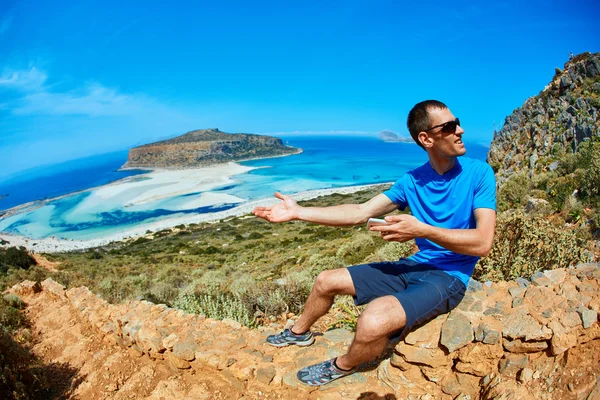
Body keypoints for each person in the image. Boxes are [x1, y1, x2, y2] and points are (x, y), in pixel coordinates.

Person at [252, 100, 497, 386]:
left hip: (449, 277)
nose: (461, 130)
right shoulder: (412, 181)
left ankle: (341, 366)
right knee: (325, 281)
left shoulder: (479, 174)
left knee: (371, 322)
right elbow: (360, 212)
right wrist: (298, 212)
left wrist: (423, 230)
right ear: (426, 139)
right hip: (414, 265)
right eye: (451, 126)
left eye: (458, 123)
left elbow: (483, 243)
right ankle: (298, 333)